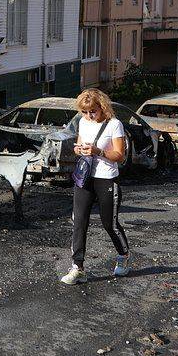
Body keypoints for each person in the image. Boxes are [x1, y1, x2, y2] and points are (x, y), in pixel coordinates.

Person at [60, 88, 131, 285]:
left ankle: (123, 255)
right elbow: (80, 144)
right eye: (85, 112)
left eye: (93, 111)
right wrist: (78, 149)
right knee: (79, 221)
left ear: (102, 107)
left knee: (110, 223)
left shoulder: (114, 125)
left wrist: (98, 151)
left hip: (107, 178)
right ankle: (77, 267)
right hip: (85, 178)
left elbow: (119, 155)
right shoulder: (83, 122)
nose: (88, 115)